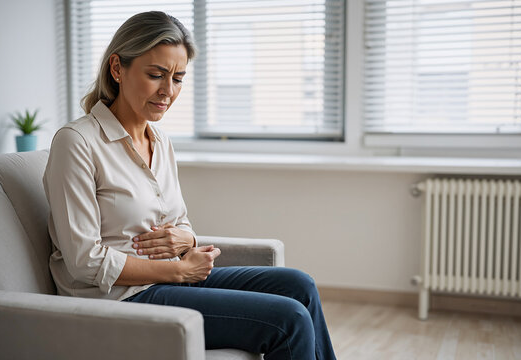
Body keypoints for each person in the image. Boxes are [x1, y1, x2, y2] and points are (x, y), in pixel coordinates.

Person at [43, 11, 336, 360]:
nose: (169, 91)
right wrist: (178, 270)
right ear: (117, 68)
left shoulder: (160, 142)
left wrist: (190, 241)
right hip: (120, 298)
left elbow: (178, 222)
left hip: (168, 279)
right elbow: (83, 261)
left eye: (178, 78)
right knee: (287, 320)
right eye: (156, 75)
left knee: (299, 285)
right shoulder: (77, 142)